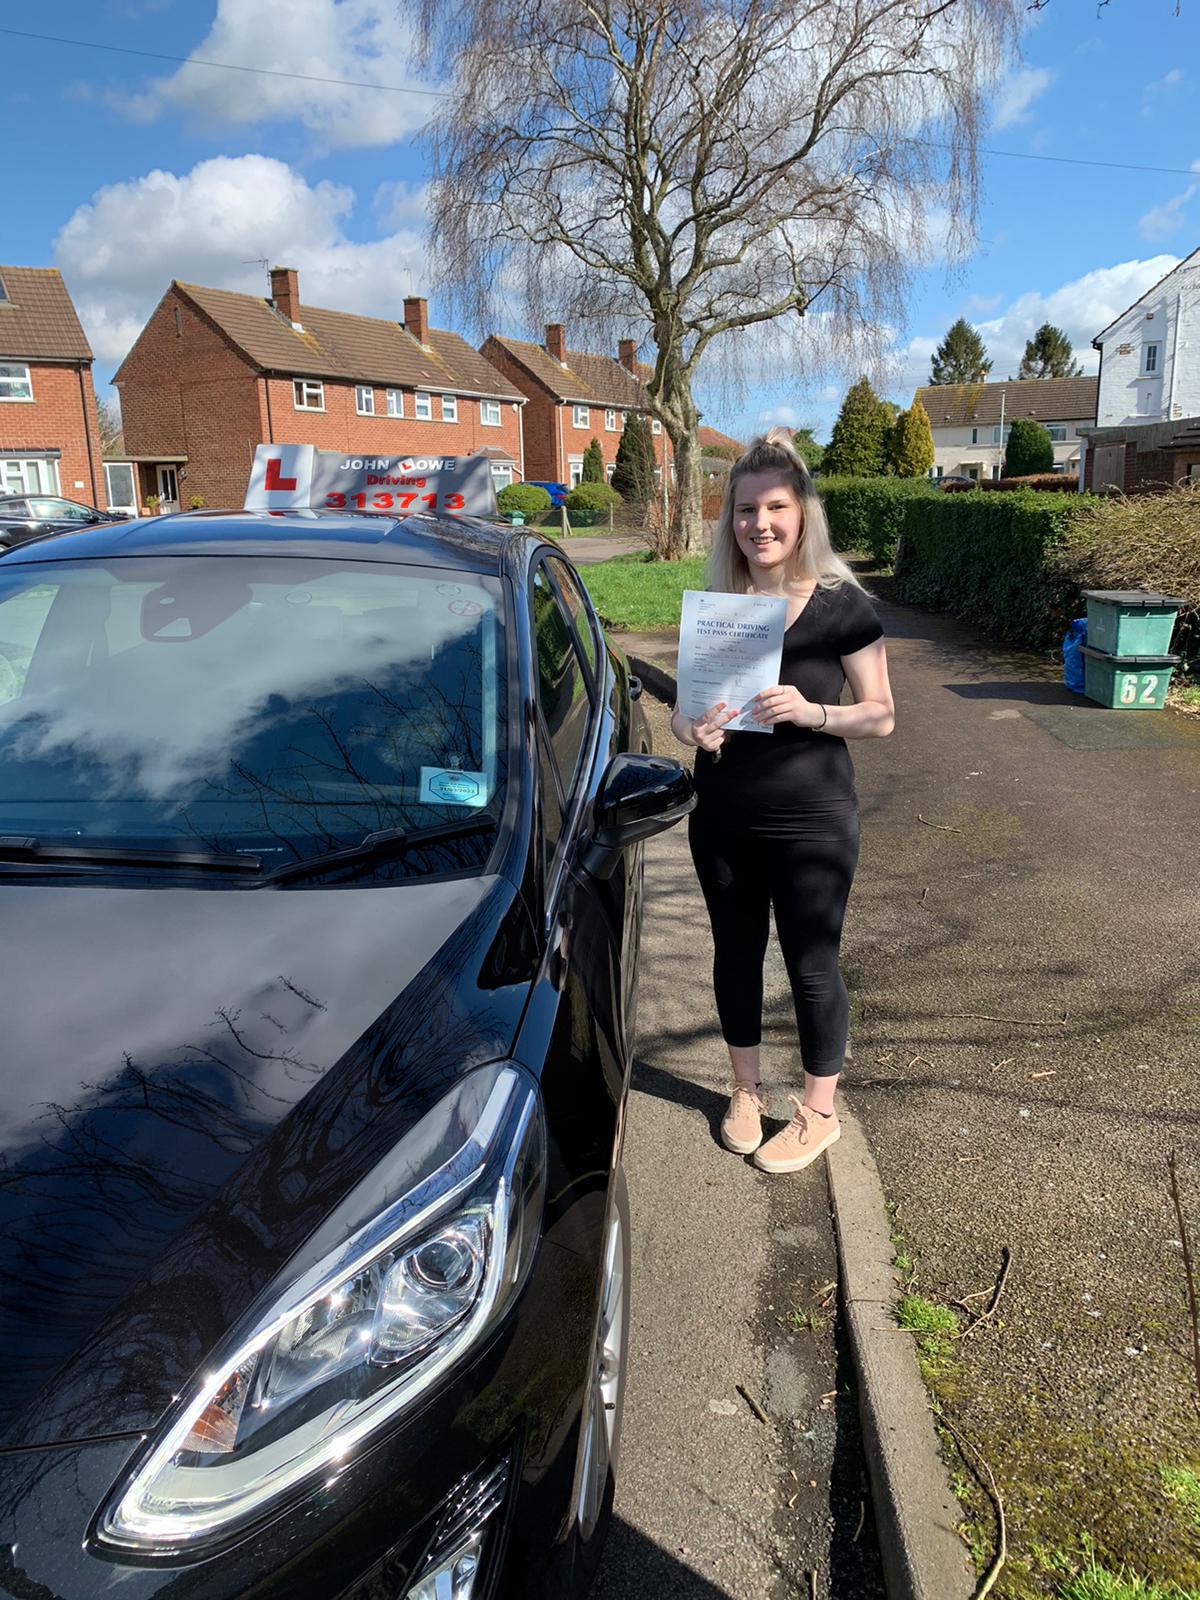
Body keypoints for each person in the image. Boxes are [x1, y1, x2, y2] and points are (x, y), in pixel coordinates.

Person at [671, 428, 894, 1174]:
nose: (758, 524)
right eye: (744, 510)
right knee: (736, 954)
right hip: (725, 817)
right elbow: (682, 711)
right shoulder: (720, 608)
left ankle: (819, 1113)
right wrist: (692, 728)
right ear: (729, 518)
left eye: (774, 507)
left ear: (802, 514)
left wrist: (814, 713)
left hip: (813, 822)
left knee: (811, 965)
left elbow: (882, 713)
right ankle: (744, 1094)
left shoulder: (843, 607)